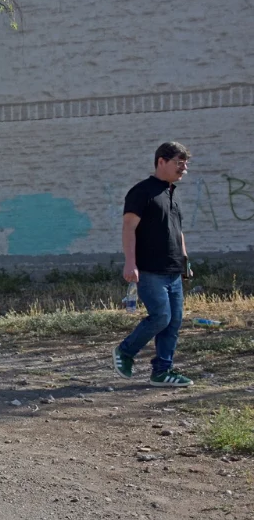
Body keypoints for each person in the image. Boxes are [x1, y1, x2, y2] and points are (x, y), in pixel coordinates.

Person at [113, 141, 194, 387]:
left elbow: (178, 232)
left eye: (186, 163)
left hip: (172, 271)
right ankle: (125, 352)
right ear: (162, 161)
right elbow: (129, 228)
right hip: (149, 270)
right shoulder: (142, 192)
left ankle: (162, 371)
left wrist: (185, 262)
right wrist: (130, 263)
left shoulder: (171, 194)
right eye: (179, 163)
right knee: (160, 317)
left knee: (174, 321)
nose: (185, 168)